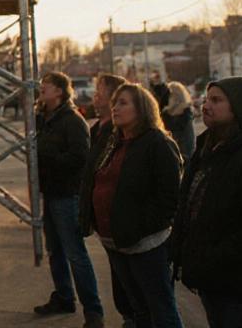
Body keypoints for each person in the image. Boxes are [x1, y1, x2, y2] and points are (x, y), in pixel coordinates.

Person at [171, 77, 242, 328]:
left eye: (216, 100)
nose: (205, 106)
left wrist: (213, 258)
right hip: (215, 286)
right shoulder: (209, 151)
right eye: (206, 99)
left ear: (238, 108)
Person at [79, 83, 184, 328]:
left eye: (123, 103)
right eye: (114, 102)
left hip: (145, 245)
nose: (114, 108)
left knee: (161, 310)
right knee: (138, 310)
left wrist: (137, 228)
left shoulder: (157, 143)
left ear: (142, 108)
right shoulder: (116, 142)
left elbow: (170, 199)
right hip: (116, 242)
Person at [33, 73, 104, 327]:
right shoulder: (44, 118)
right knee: (56, 251)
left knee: (75, 253)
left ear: (60, 91)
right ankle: (64, 297)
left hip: (66, 194)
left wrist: (46, 159)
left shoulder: (72, 120)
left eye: (47, 85)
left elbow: (80, 157)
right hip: (51, 192)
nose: (41, 88)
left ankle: (93, 310)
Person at [88, 74, 135, 327]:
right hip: (105, 223)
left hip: (124, 223)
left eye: (100, 90)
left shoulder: (122, 134)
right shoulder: (97, 128)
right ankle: (128, 315)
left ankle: (133, 317)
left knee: (135, 281)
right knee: (119, 275)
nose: (95, 94)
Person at [161, 81, 196, 162]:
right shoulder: (167, 114)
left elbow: (186, 138)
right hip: (171, 155)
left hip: (183, 155)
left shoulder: (185, 112)